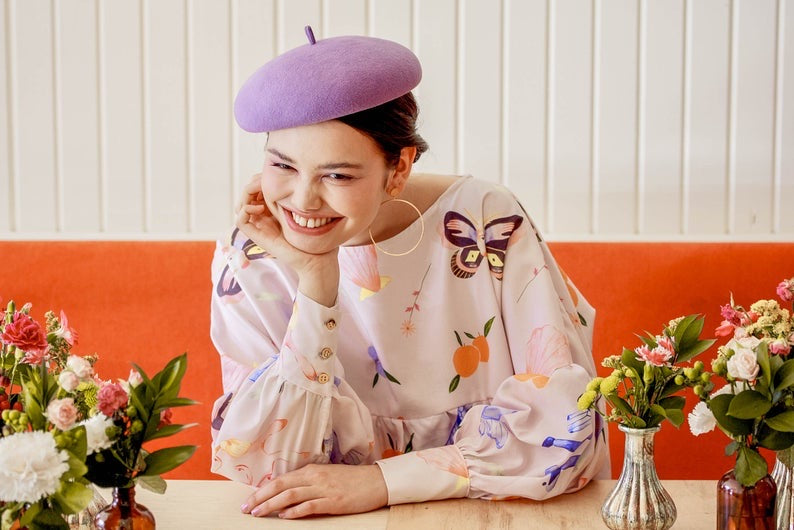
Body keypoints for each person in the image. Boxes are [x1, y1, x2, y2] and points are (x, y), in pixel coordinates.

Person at [209, 26, 609, 519]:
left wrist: (382, 480)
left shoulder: (484, 221)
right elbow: (268, 465)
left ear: (398, 168)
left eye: (337, 175)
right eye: (283, 166)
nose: (302, 201)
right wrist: (317, 285)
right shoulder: (252, 252)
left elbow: (568, 429)